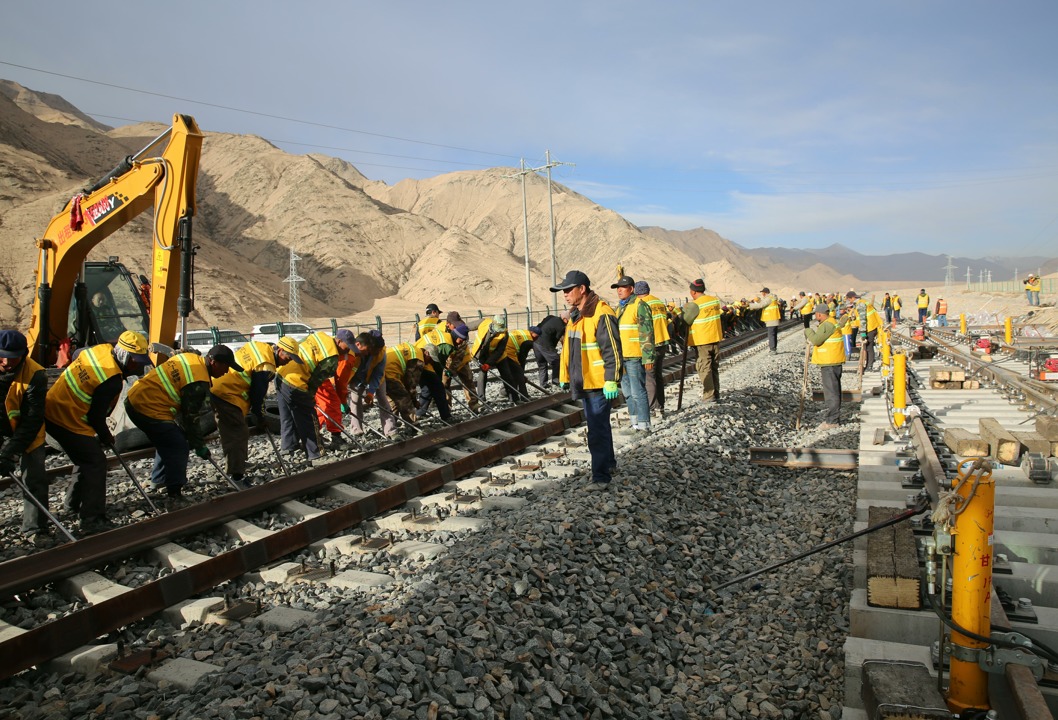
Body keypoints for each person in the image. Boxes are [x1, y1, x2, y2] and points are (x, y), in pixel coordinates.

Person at [45, 330, 152, 532]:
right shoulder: (110, 380)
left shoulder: (99, 351)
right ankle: (92, 519)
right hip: (66, 418)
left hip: (55, 406)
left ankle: (72, 504)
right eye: (135, 361)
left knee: (86, 456)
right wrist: (106, 436)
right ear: (124, 355)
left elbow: (77, 356)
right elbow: (96, 417)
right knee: (96, 462)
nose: (138, 366)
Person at [125, 346, 237, 505]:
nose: (226, 372)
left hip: (135, 398)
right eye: (226, 367)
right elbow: (190, 417)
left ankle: (159, 480)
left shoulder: (190, 359)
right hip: (147, 406)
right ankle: (174, 493)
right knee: (179, 446)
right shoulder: (198, 381)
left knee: (168, 439)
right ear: (214, 362)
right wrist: (198, 445)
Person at [550, 270, 621, 489]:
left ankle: (601, 478)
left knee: (596, 431)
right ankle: (608, 465)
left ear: (582, 289)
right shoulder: (576, 315)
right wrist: (566, 376)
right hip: (584, 381)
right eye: (563, 291)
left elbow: (612, 349)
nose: (565, 294)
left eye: (568, 289)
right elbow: (570, 350)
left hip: (598, 383)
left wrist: (612, 378)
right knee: (600, 427)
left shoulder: (601, 313)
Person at [210, 338, 300, 485]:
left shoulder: (261, 347)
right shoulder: (266, 365)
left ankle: (238, 464)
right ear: (281, 351)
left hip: (221, 386)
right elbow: (258, 394)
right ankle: (236, 476)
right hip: (227, 393)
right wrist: (259, 416)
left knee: (239, 431)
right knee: (237, 433)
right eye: (288, 357)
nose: (288, 362)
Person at [0, 329, 49, 544]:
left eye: (12, 358)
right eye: (1, 355)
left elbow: (32, 419)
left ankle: (35, 528)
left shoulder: (35, 374)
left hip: (27, 431)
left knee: (34, 477)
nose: (5, 362)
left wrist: (10, 451)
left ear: (23, 354)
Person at [276, 331, 340, 462]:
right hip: (296, 383)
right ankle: (315, 454)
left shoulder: (319, 336)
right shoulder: (331, 356)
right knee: (309, 420)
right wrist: (310, 397)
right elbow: (316, 380)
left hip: (280, 376)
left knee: (287, 415)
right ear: (339, 342)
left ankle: (288, 446)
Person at [612, 276, 652, 434]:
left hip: (635, 355)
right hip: (622, 356)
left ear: (632, 289)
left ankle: (644, 425)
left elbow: (647, 331)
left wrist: (648, 356)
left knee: (637, 391)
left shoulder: (639, 305)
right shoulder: (620, 308)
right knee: (628, 394)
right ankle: (635, 424)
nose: (619, 290)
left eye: (623, 287)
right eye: (617, 287)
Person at [805, 306, 850, 429]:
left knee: (831, 393)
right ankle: (834, 418)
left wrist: (807, 331)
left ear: (819, 314)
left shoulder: (827, 325)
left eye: (816, 314)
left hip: (829, 362)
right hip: (834, 361)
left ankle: (832, 421)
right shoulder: (832, 322)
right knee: (834, 391)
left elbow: (815, 340)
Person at [683, 278, 723, 405]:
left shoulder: (695, 305)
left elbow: (686, 320)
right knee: (714, 367)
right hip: (715, 338)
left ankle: (708, 396)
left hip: (702, 341)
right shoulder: (714, 301)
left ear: (693, 292)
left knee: (704, 368)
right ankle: (716, 394)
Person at [633, 281, 671, 415]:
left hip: (651, 344)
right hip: (663, 342)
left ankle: (653, 407)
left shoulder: (641, 304)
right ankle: (660, 405)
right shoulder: (658, 302)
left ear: (636, 293)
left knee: (649, 377)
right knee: (658, 375)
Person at [348, 331, 394, 437]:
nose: (377, 352)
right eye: (375, 350)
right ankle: (357, 430)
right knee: (355, 400)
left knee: (382, 399)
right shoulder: (357, 350)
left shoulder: (381, 354)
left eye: (379, 350)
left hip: (376, 378)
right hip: (356, 378)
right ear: (370, 347)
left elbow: (378, 374)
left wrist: (370, 392)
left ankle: (390, 430)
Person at [315, 329, 357, 448]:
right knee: (332, 402)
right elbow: (340, 382)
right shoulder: (346, 357)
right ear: (339, 341)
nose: (348, 348)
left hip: (310, 373)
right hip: (314, 374)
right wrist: (342, 402)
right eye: (347, 346)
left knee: (322, 405)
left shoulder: (330, 343)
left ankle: (313, 434)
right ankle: (336, 436)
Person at [475, 315, 525, 403]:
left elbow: (499, 351)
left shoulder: (505, 334)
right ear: (493, 324)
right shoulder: (484, 323)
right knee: (482, 376)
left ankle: (514, 398)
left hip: (499, 357)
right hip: (483, 356)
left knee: (508, 376)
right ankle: (481, 399)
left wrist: (489, 363)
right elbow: (466, 327)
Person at [414, 326, 454, 422]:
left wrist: (443, 370)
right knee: (439, 388)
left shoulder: (427, 352)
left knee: (427, 390)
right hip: (422, 368)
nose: (431, 360)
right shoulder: (419, 356)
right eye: (431, 358)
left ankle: (419, 414)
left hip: (424, 367)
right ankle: (446, 417)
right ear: (427, 353)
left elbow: (435, 364)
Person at [533, 312, 567, 388]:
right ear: (565, 319)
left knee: (542, 364)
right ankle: (556, 381)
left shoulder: (550, 317)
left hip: (535, 341)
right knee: (557, 361)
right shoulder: (561, 326)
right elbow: (559, 339)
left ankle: (543, 383)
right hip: (545, 344)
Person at [850, 291, 881, 371]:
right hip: (872, 326)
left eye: (849, 299)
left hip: (869, 327)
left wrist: (863, 332)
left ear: (853, 298)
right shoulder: (862, 302)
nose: (849, 301)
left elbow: (863, 319)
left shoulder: (860, 304)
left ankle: (869, 365)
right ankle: (868, 364)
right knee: (868, 347)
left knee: (868, 347)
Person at [747, 287, 782, 352]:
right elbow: (763, 302)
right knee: (773, 334)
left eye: (762, 293)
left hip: (771, 319)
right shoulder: (771, 298)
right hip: (774, 318)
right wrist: (758, 301)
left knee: (771, 335)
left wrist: (749, 305)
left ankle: (772, 349)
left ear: (765, 293)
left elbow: (761, 305)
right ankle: (774, 348)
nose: (762, 294)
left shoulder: (769, 298)